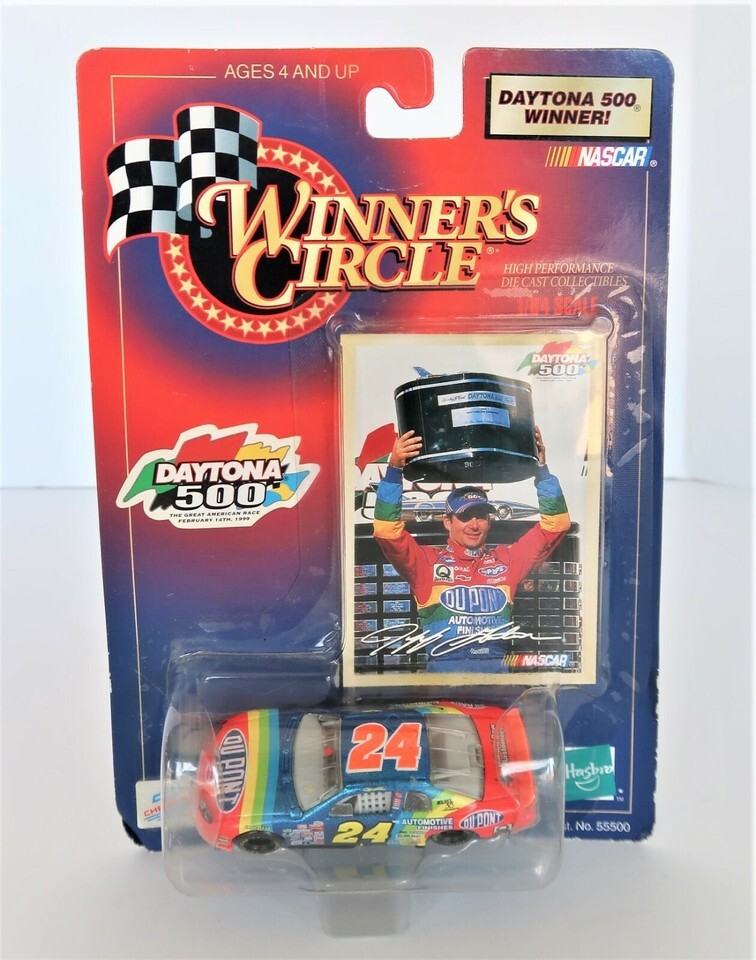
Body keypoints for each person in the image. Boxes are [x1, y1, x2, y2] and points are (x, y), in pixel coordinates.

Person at [372, 427, 570, 673]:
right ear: (447, 522)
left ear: (489, 521)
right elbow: (387, 531)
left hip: (496, 684)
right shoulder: (427, 563)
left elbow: (556, 524)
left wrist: (541, 471)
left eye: (481, 516)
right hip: (444, 685)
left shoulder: (507, 560)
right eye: (465, 517)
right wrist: (394, 470)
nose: (474, 525)